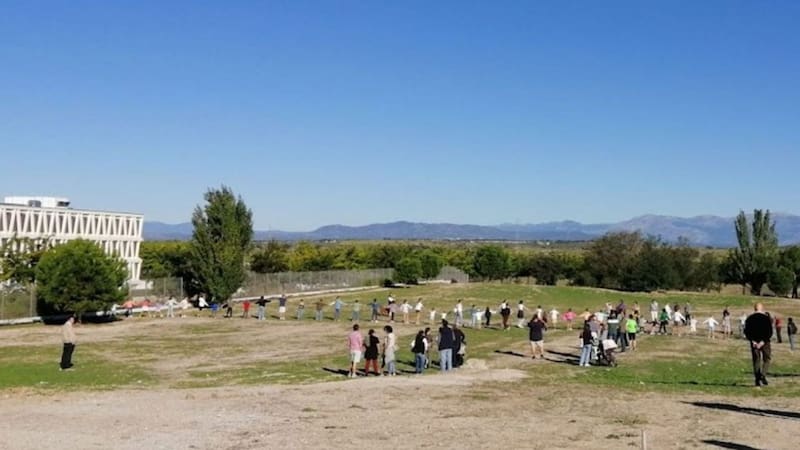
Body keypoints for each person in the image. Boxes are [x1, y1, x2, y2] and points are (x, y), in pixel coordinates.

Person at [745, 303, 773, 387]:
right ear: (762, 308)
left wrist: (753, 341)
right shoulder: (766, 318)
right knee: (766, 359)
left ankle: (757, 379)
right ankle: (763, 375)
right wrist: (762, 342)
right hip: (765, 342)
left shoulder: (749, 318)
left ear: (754, 309)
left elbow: (747, 331)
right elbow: (769, 331)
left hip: (754, 343)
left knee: (756, 360)